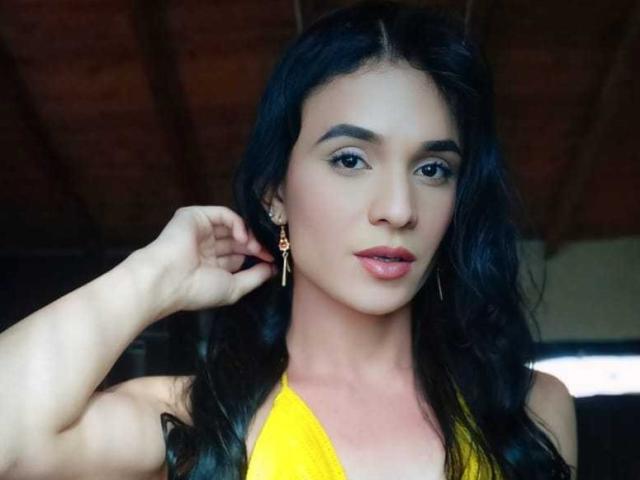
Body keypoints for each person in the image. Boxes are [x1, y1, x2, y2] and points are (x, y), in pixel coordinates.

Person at [0, 1, 577, 479]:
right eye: (350, 159)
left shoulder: (529, 411)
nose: (399, 209)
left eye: (432, 169)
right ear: (275, 193)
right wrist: (151, 277)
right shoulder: (200, 418)